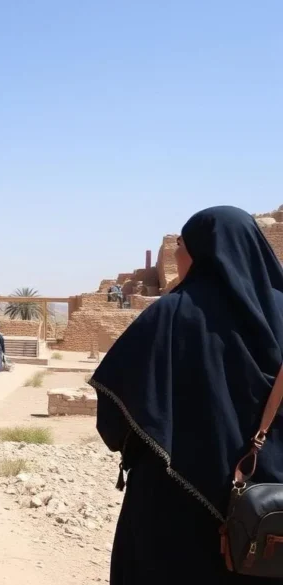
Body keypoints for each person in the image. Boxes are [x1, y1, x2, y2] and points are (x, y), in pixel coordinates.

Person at [89, 206, 283, 584]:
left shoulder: (172, 313)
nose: (176, 254)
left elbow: (115, 415)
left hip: (172, 505)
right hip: (266, 511)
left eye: (181, 244)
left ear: (202, 250)